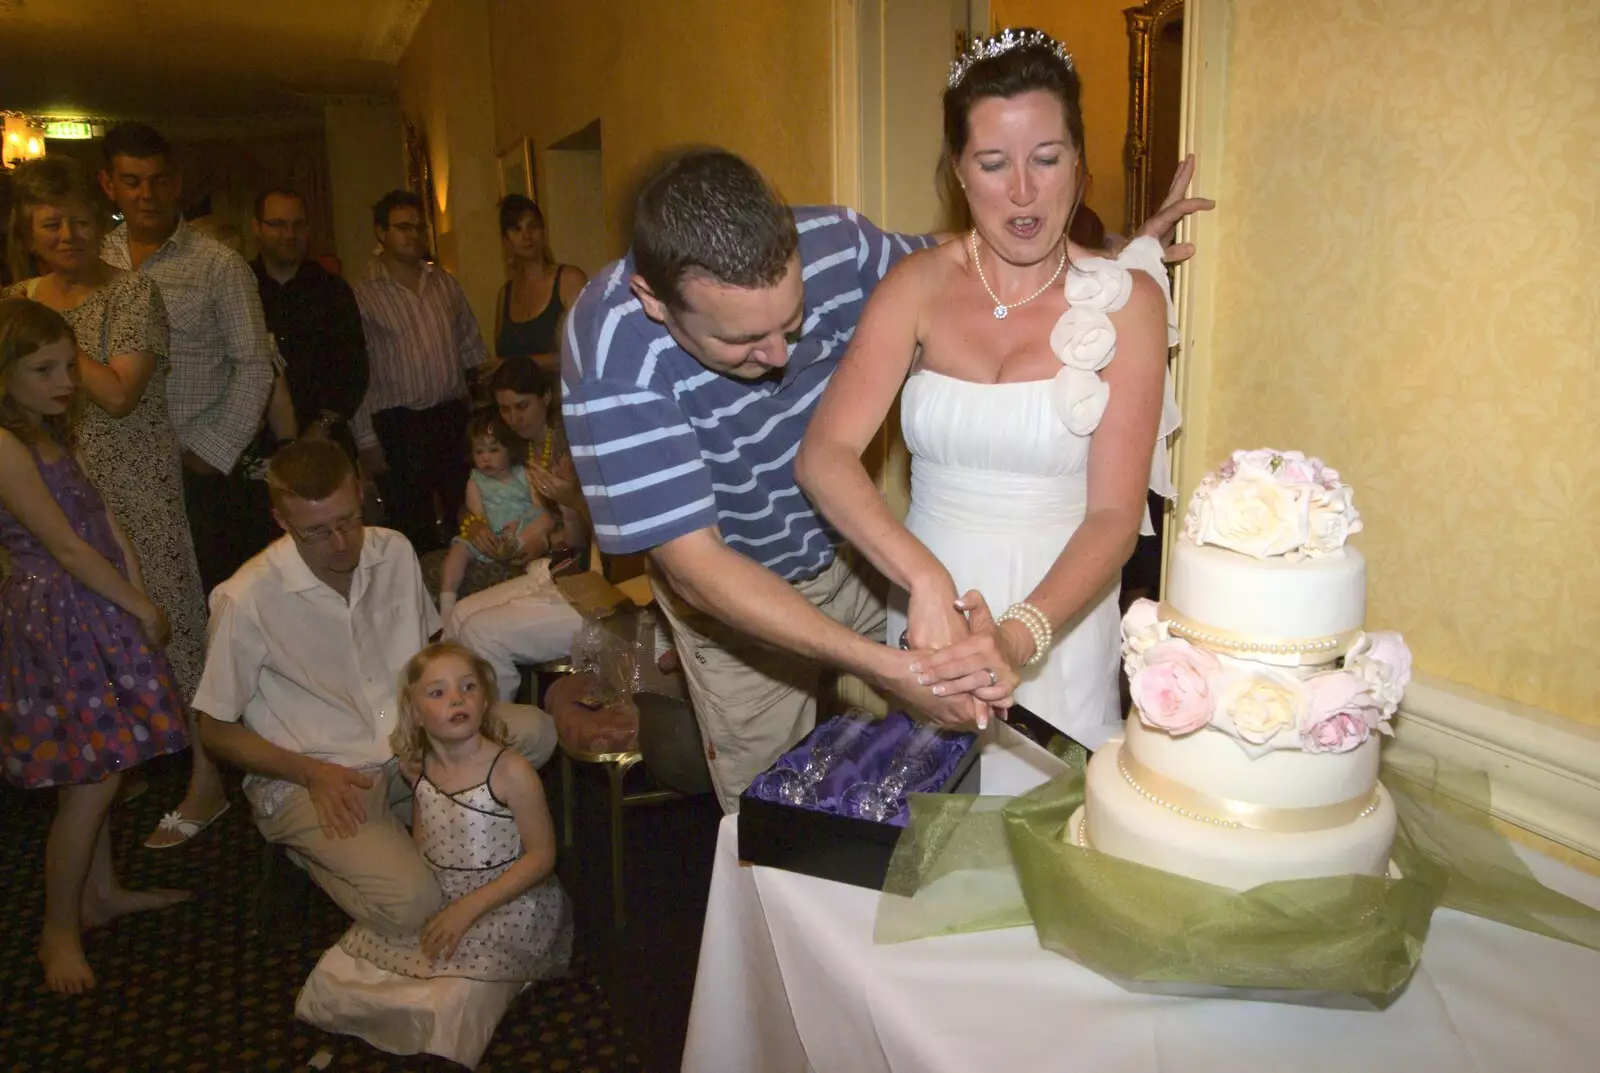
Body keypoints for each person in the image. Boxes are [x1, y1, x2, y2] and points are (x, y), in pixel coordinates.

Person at [562, 142, 1207, 811]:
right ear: (655, 302)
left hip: (855, 553)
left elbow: (970, 260)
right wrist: (881, 666)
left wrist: (1115, 260)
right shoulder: (610, 356)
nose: (781, 355)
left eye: (792, 321)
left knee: (914, 784)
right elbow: (695, 563)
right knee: (775, 815)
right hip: (733, 598)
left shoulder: (832, 244)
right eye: (745, 343)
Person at [797, 29, 1187, 751]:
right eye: (993, 162)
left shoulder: (1127, 302)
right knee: (933, 838)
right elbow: (825, 454)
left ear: (1080, 162)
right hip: (929, 616)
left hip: (1056, 619)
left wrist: (1015, 637)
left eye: (1047, 158)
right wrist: (924, 577)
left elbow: (1113, 511)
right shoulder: (913, 286)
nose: (1023, 192)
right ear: (958, 171)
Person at [193, 438, 557, 936]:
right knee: (415, 908)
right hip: (321, 773)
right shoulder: (246, 597)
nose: (341, 543)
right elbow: (212, 728)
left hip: (409, 743)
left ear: (360, 490)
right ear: (281, 519)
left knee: (536, 731)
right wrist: (311, 773)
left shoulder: (394, 550)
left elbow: (426, 660)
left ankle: (421, 820)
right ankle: (308, 855)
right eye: (317, 532)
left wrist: (437, 719)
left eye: (348, 520)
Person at [6, 155, 221, 848]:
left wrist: (54, 336)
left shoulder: (134, 294)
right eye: (51, 223)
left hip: (133, 485)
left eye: (80, 221)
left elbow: (120, 394)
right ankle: (110, 768)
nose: (67, 234)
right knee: (89, 649)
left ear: (102, 226)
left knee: (170, 628)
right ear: (27, 230)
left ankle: (205, 782)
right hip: (46, 490)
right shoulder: (16, 300)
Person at [0, 298, 191, 993]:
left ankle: (98, 893)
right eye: (43, 368)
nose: (64, 380)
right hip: (58, 613)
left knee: (105, 757)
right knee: (94, 775)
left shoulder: (50, 433)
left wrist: (135, 582)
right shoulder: (4, 444)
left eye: (66, 365)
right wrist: (138, 602)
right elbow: (64, 545)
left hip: (94, 604)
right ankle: (57, 929)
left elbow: (101, 516)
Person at [98, 122, 282, 595]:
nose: (147, 194)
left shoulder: (219, 265)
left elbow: (255, 363)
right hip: (116, 471)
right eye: (132, 181)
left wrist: (213, 449)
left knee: (211, 601)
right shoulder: (95, 261)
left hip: (195, 471)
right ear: (109, 185)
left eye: (158, 180)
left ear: (176, 185)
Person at [337, 641, 571, 981]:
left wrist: (466, 910)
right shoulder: (416, 768)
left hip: (502, 900)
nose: (457, 699)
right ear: (414, 712)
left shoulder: (511, 772)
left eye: (468, 686)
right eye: (437, 692)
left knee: (452, 992)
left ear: (485, 699)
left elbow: (542, 856)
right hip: (442, 890)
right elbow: (424, 838)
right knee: (359, 977)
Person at [352, 190, 488, 553]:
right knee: (411, 527)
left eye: (418, 227)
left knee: (470, 513)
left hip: (450, 418)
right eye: (402, 227)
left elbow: (471, 350)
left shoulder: (445, 283)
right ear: (381, 232)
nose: (413, 235)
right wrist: (365, 439)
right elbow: (357, 376)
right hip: (399, 426)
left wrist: (478, 416)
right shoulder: (362, 295)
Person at [449, 360, 588, 700]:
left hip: (575, 567)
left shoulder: (571, 444)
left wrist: (549, 532)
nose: (514, 418)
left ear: (546, 396)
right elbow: (473, 494)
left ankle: (496, 728)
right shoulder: (513, 443)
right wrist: (474, 524)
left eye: (522, 406)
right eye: (505, 409)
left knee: (479, 631)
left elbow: (590, 529)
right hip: (546, 561)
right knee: (459, 613)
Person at [250, 188, 370, 461]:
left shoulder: (332, 290)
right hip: (255, 447)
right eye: (278, 224)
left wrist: (321, 427)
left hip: (324, 441)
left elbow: (354, 369)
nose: (289, 235)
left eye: (298, 225)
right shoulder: (239, 287)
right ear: (256, 227)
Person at [437, 409, 552, 624]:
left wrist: (520, 527)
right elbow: (477, 516)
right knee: (458, 550)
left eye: (494, 450)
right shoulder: (476, 481)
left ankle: (521, 555)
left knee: (544, 519)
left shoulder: (524, 474)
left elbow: (539, 508)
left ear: (510, 449)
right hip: (489, 536)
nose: (486, 457)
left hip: (521, 530)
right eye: (479, 452)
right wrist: (488, 533)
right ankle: (446, 604)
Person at [493, 196, 587, 377]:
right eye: (516, 229)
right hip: (520, 402)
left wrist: (517, 363)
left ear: (543, 232)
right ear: (505, 241)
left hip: (563, 399)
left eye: (532, 227)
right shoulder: (504, 295)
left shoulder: (569, 280)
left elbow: (585, 351)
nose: (526, 236)